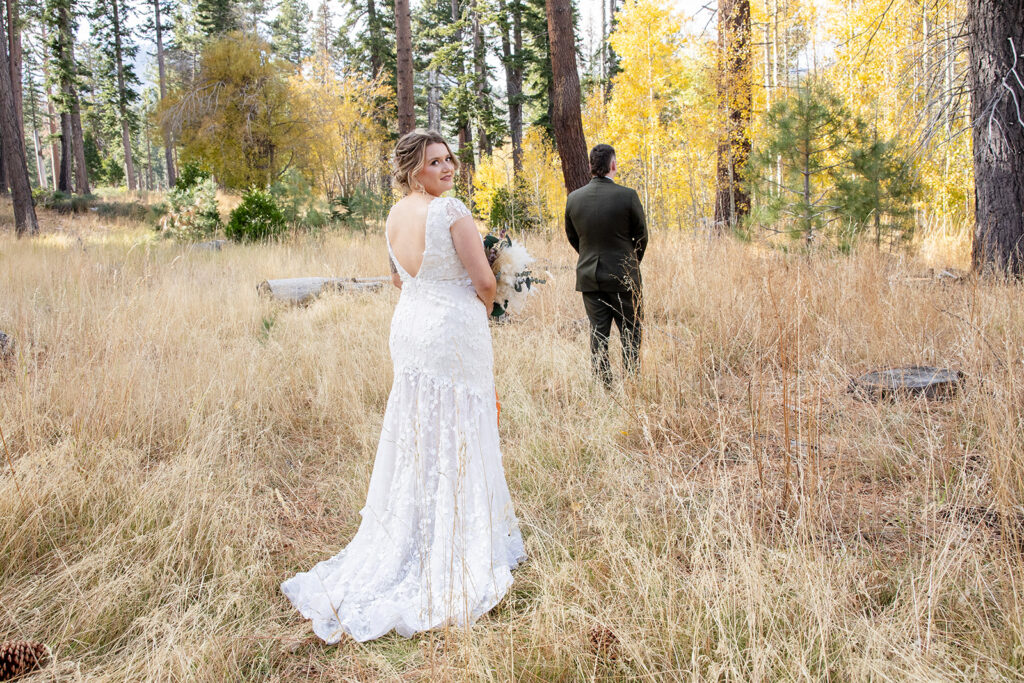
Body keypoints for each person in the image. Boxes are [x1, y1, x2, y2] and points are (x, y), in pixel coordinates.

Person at [281, 129, 525, 643]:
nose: (447, 168)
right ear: (414, 169)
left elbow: (397, 281)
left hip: (410, 325)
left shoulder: (393, 216)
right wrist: (486, 307)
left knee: (419, 427)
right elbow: (483, 280)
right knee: (458, 424)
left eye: (449, 159)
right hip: (451, 330)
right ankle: (453, 539)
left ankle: (414, 529)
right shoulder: (451, 210)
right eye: (435, 162)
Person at [564, 144, 648, 386]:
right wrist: (630, 262)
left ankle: (604, 385)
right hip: (624, 276)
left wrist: (589, 256)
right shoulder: (628, 195)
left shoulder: (573, 199)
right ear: (613, 165)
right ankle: (632, 382)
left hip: (590, 277)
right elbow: (642, 236)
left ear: (591, 166)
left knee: (598, 332)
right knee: (631, 331)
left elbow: (573, 237)